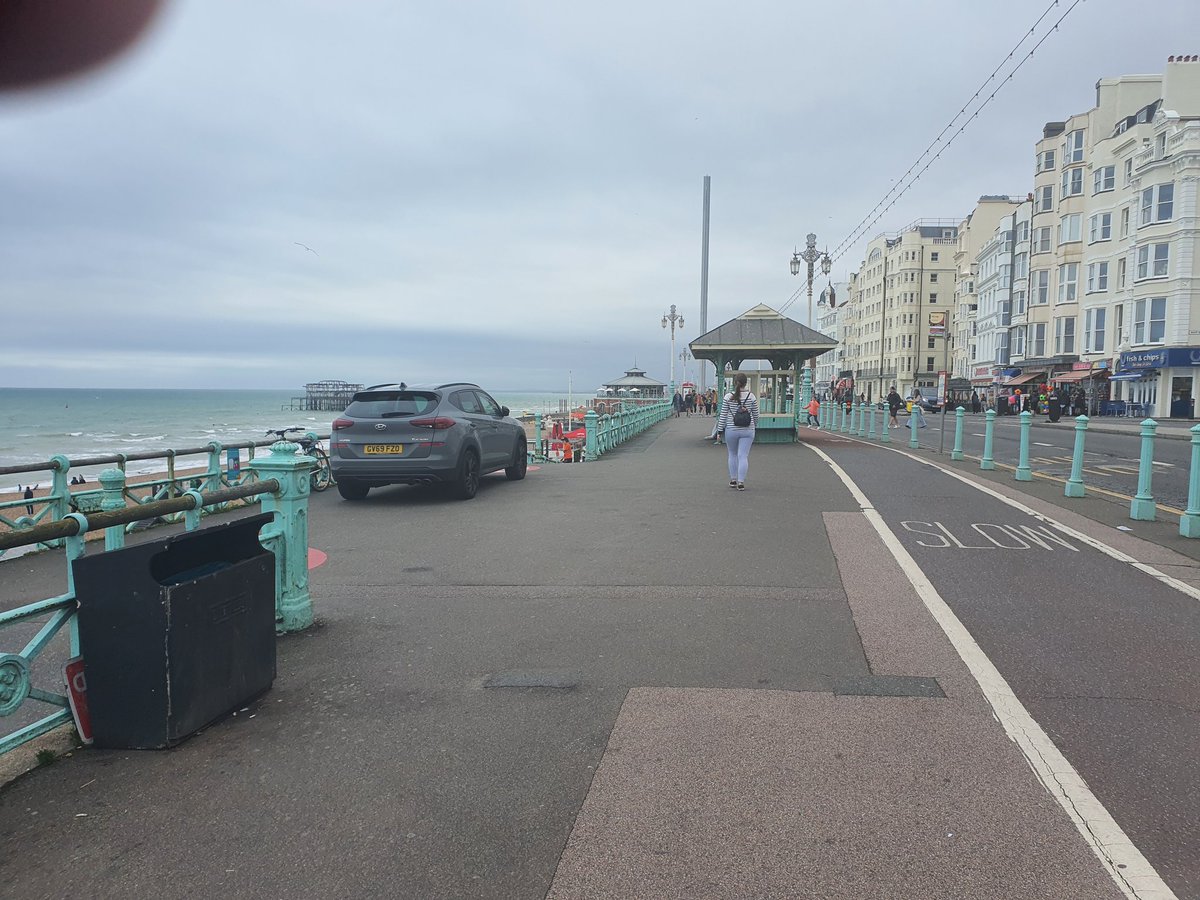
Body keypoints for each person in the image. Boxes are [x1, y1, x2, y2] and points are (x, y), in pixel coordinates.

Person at [716, 373, 758, 490]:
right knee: (743, 456)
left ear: (735, 383)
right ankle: (741, 482)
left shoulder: (728, 397)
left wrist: (719, 430)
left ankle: (733, 480)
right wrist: (755, 426)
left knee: (732, 454)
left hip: (731, 429)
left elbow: (723, 415)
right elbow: (756, 415)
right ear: (746, 383)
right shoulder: (751, 397)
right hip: (748, 430)